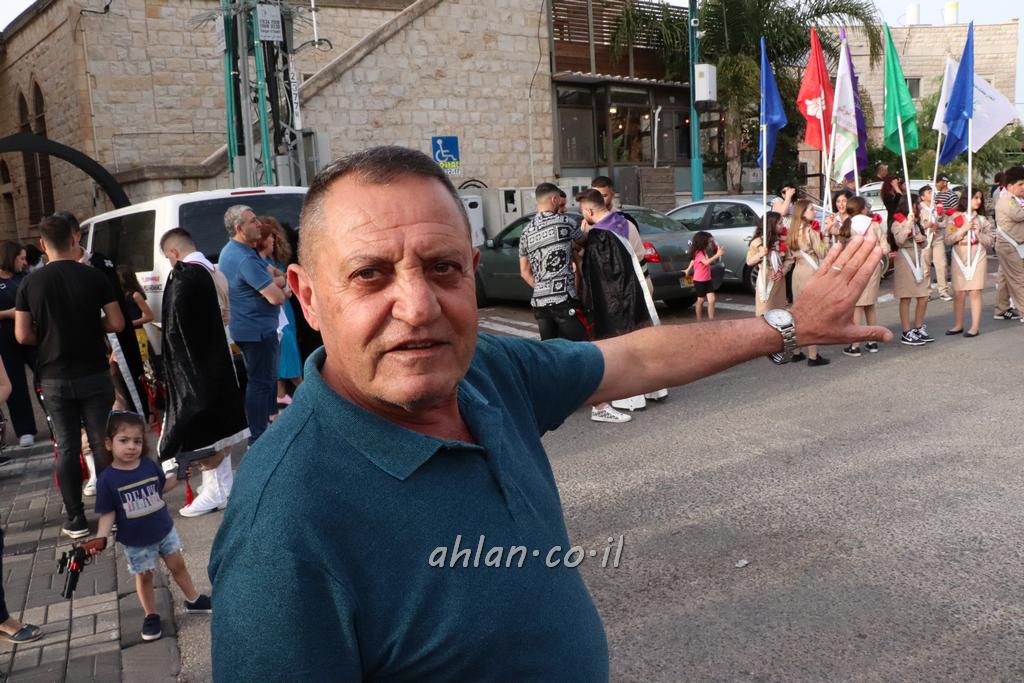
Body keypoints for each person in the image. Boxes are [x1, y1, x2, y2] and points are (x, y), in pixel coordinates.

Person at [207, 146, 890, 680]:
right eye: (370, 274)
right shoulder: (282, 530)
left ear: (472, 271)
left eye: (443, 268)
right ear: (306, 296)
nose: (417, 307)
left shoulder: (486, 371)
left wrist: (785, 325)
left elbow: (634, 360)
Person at [15, 214, 125, 538]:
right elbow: (117, 322)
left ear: (42, 244)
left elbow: (22, 335)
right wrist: (91, 326)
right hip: (93, 372)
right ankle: (110, 514)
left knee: (66, 446)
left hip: (53, 376)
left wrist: (49, 333)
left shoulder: (30, 283)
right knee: (101, 443)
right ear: (75, 239)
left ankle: (75, 518)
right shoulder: (93, 277)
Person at [81, 411, 212, 642]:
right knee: (145, 576)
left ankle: (193, 600)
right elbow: (108, 513)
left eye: (137, 441)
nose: (131, 446)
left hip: (164, 530)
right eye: (124, 440)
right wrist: (101, 536)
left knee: (178, 565)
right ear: (109, 444)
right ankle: (151, 615)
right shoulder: (107, 480)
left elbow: (161, 488)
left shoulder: (149, 465)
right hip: (136, 540)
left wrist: (179, 477)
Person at [518, 184, 628, 424]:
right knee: (586, 351)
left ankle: (551, 404)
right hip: (563, 300)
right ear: (554, 200)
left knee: (551, 355)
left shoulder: (525, 232)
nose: (563, 205)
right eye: (561, 201)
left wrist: (542, 287)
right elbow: (586, 240)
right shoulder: (565, 223)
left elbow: (524, 272)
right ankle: (600, 406)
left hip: (540, 303)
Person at [158, 228, 247, 517]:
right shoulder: (212, 270)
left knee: (208, 426)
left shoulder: (188, 275)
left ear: (173, 252)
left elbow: (180, 329)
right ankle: (221, 486)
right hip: (218, 354)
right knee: (216, 423)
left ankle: (217, 490)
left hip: (202, 362)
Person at [577, 189, 664, 412]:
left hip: (614, 297)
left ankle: (630, 396)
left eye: (582, 211)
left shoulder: (597, 235)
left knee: (621, 346)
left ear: (589, 211)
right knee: (642, 340)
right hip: (638, 286)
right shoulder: (626, 223)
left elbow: (595, 275)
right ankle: (653, 388)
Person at [217, 205, 286, 442]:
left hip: (249, 328)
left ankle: (264, 429)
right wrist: (281, 286)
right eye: (253, 221)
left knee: (262, 381)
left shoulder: (236, 250)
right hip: (257, 331)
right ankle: (258, 437)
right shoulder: (244, 258)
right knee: (261, 383)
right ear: (239, 228)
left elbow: (276, 276)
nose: (259, 224)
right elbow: (277, 297)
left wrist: (276, 283)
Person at [257, 216, 302, 408]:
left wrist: (283, 284)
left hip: (285, 311)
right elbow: (277, 289)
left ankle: (281, 394)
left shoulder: (272, 261)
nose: (273, 240)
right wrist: (282, 283)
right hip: (276, 312)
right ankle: (303, 389)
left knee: (284, 348)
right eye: (270, 237)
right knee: (286, 347)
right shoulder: (260, 263)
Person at [0, 241, 37, 447]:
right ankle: (25, 430)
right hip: (5, 340)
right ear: (10, 257)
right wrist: (9, 314)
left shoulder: (25, 278)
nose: (24, 262)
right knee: (15, 385)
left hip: (30, 336)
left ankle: (56, 422)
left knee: (45, 377)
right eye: (21, 258)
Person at [786, 200, 830, 366]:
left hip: (797, 272)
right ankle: (813, 355)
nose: (814, 212)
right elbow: (822, 252)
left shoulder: (792, 232)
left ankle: (796, 351)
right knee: (811, 314)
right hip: (810, 272)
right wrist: (826, 235)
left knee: (799, 313)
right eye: (811, 209)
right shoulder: (810, 231)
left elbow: (791, 255)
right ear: (803, 213)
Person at [945, 190, 993, 337]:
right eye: (975, 197)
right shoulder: (954, 218)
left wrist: (979, 234)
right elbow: (948, 240)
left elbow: (991, 241)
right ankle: (958, 325)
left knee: (975, 291)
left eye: (980, 198)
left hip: (977, 254)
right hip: (959, 255)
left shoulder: (983, 220)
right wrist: (962, 230)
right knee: (958, 293)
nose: (978, 201)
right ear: (967, 198)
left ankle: (974, 327)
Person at [839, 202, 883, 357]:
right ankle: (872, 341)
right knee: (869, 304)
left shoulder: (848, 224)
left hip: (856, 265)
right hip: (873, 265)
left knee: (857, 305)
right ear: (863, 208)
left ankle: (855, 344)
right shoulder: (874, 224)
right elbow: (885, 246)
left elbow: (842, 245)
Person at [889, 199, 932, 345]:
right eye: (915, 205)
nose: (917, 208)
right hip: (904, 259)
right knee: (906, 297)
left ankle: (918, 327)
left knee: (923, 296)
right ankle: (906, 332)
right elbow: (899, 240)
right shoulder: (897, 222)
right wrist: (908, 223)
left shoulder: (916, 222)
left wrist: (922, 239)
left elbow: (924, 243)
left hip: (917, 259)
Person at [746, 212, 790, 317]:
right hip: (765, 280)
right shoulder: (758, 242)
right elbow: (749, 261)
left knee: (779, 313)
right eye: (780, 223)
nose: (783, 225)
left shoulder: (783, 240)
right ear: (771, 225)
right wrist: (760, 254)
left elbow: (790, 259)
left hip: (779, 281)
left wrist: (782, 271)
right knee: (765, 311)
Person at [917, 185, 952, 302]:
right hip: (925, 240)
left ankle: (943, 291)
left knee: (941, 264)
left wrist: (938, 224)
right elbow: (916, 225)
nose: (932, 194)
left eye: (932, 192)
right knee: (925, 267)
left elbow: (945, 222)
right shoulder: (918, 209)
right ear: (922, 197)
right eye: (928, 192)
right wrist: (925, 226)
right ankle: (926, 291)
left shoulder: (938, 207)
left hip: (937, 239)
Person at [683, 231, 722, 322]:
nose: (711, 244)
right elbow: (706, 262)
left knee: (712, 300)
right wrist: (717, 255)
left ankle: (711, 319)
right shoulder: (699, 253)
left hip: (707, 278)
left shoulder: (703, 252)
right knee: (701, 300)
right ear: (703, 242)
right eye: (709, 242)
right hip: (699, 280)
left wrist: (688, 269)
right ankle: (699, 320)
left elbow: (693, 261)